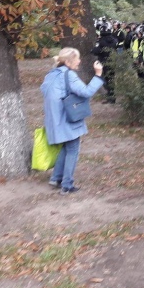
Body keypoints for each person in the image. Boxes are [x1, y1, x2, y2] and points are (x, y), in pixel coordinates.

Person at [41, 48, 104, 195]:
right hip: (68, 119)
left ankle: (56, 178)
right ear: (69, 61)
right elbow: (87, 92)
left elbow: (45, 91)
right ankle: (67, 185)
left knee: (66, 147)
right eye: (77, 58)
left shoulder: (51, 74)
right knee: (73, 149)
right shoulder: (69, 75)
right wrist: (98, 75)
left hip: (54, 119)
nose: (79, 61)